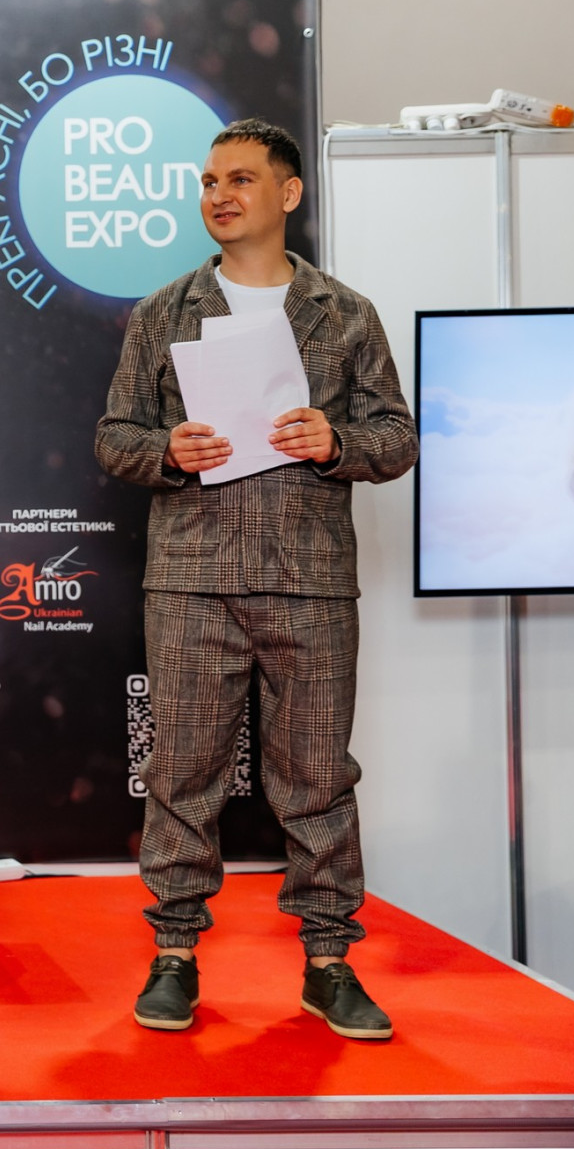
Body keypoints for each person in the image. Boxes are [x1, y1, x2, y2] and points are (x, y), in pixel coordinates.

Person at [93, 118, 418, 1040]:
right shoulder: (163, 312)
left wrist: (337, 439)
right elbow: (114, 437)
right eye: (208, 181)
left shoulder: (345, 313)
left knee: (318, 777)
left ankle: (328, 963)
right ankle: (174, 953)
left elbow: (397, 436)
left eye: (239, 178)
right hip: (192, 579)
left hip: (310, 580)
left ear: (289, 193)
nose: (219, 195)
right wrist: (167, 450)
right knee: (181, 771)